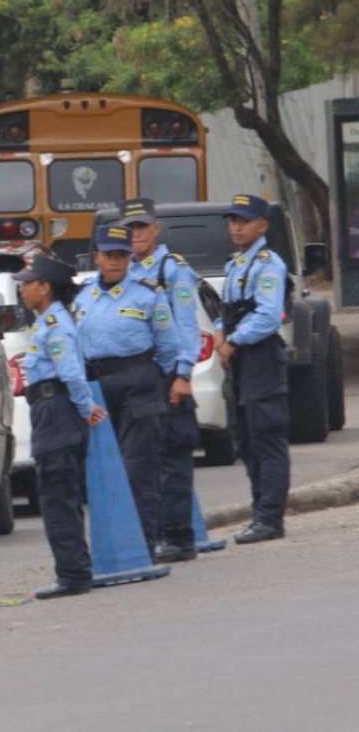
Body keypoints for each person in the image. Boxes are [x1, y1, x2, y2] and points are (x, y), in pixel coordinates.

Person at [73, 224, 180, 555]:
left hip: (138, 381)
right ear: (97, 257)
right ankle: (113, 543)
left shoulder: (148, 294)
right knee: (103, 468)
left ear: (130, 258)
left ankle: (145, 541)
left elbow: (169, 347)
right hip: (97, 386)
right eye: (109, 255)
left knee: (139, 467)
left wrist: (152, 380)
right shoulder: (84, 296)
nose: (115, 262)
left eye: (122, 255)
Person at [14, 254, 107, 599]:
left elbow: (70, 372)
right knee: (59, 493)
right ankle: (74, 569)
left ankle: (72, 574)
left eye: (28, 283)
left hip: (57, 411)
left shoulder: (55, 326)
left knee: (57, 495)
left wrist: (86, 408)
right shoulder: (47, 322)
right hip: (49, 410)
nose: (22, 290)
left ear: (45, 288)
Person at [122, 197, 202, 563]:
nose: (135, 234)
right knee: (146, 458)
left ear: (155, 228)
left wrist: (183, 374)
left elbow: (186, 324)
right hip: (142, 375)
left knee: (173, 456)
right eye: (130, 228)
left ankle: (180, 537)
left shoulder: (173, 269)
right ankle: (157, 533)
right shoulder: (127, 270)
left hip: (169, 372)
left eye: (141, 227)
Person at [216, 194, 290, 544]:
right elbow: (227, 308)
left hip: (260, 356)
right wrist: (220, 332)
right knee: (244, 439)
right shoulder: (235, 264)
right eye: (232, 221)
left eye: (243, 221)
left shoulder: (268, 263)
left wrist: (235, 341)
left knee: (266, 438)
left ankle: (270, 518)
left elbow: (268, 314)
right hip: (240, 359)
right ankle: (259, 509)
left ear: (262, 225)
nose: (236, 227)